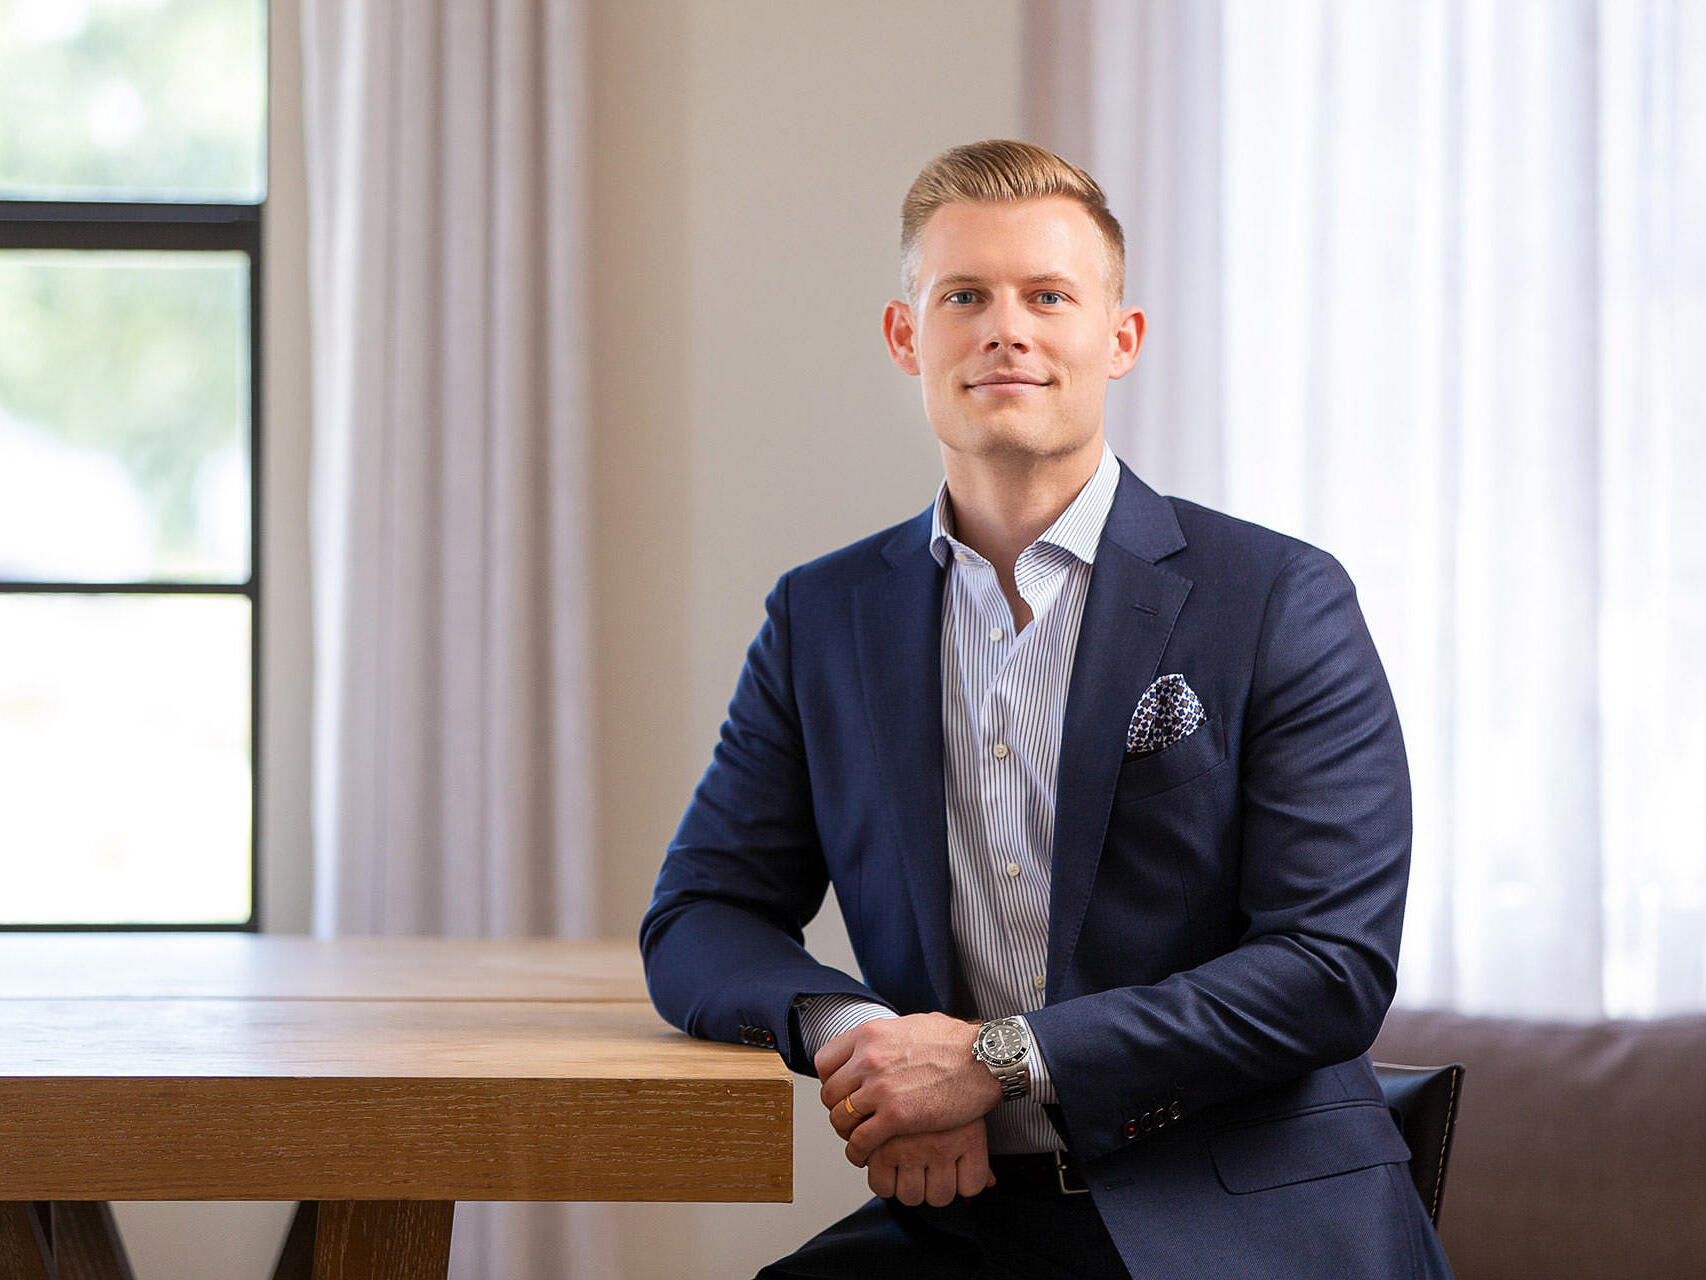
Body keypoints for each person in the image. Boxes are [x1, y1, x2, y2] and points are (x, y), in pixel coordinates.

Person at [641, 139, 1455, 1279]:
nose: (1005, 330)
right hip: (965, 1210)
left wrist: (996, 1060)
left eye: (1048, 296)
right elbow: (698, 915)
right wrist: (864, 1039)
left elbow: (1330, 966)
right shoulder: (820, 616)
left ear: (1119, 338)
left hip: (1240, 1218)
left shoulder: (1279, 596)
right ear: (906, 337)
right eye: (963, 296)